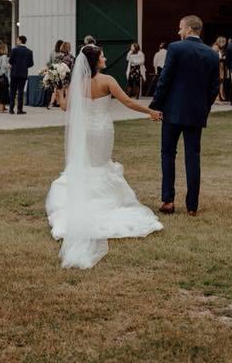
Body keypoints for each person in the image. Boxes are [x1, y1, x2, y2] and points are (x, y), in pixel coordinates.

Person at [45, 44, 163, 269]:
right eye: (102, 56)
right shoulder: (107, 80)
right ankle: (105, 204)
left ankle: (83, 204)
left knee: (88, 165)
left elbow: (63, 107)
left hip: (84, 131)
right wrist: (150, 112)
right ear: (95, 61)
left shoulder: (77, 83)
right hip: (102, 130)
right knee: (101, 165)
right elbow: (127, 102)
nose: (105, 58)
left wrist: (59, 88)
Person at [149, 15, 221, 217]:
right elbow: (214, 86)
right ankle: (192, 206)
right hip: (196, 112)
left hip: (172, 111)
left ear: (189, 29)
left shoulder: (176, 48)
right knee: (193, 156)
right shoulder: (212, 54)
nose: (178, 31)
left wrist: (155, 106)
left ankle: (168, 200)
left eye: (180, 28)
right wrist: (203, 107)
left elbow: (165, 79)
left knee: (167, 154)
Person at [8, 35, 33, 115]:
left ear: (20, 41)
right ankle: (19, 110)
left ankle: (11, 109)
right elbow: (31, 64)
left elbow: (10, 61)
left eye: (17, 40)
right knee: (21, 92)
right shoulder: (29, 51)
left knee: (13, 91)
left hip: (14, 73)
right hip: (23, 74)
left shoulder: (14, 50)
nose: (16, 41)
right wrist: (24, 66)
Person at [47, 40, 66, 109]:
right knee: (61, 89)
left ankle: (55, 103)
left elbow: (50, 62)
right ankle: (57, 103)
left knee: (55, 89)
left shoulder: (52, 53)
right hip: (61, 72)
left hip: (54, 72)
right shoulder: (63, 54)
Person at [212, 36, 231, 104]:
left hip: (221, 68)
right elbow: (214, 58)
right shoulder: (215, 48)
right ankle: (216, 99)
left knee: (221, 83)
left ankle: (221, 96)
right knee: (217, 83)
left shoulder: (221, 49)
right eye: (224, 42)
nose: (225, 44)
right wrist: (222, 58)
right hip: (217, 67)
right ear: (220, 41)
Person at [0, 42, 10, 113]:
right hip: (2, 76)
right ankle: (1, 109)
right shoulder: (4, 56)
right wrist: (9, 66)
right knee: (3, 93)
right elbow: (4, 66)